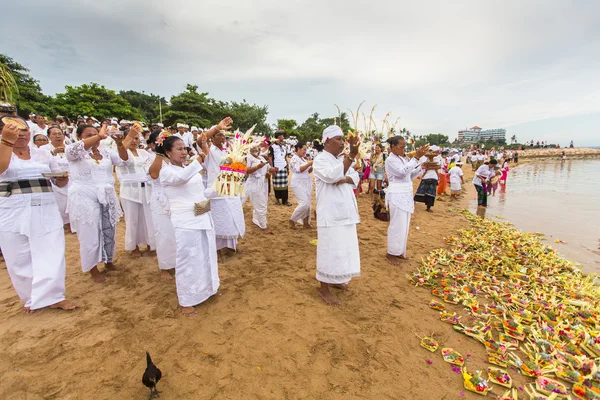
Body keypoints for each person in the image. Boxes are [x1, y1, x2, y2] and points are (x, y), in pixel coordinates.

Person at [0, 118, 77, 312]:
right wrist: (6, 143)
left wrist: (62, 178)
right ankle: (30, 298)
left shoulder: (42, 154)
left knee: (51, 250)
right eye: (15, 130)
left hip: (45, 206)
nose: (22, 134)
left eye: (25, 130)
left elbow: (58, 181)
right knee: (18, 255)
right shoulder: (3, 150)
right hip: (12, 209)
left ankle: (54, 296)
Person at [66, 122, 136, 282]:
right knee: (89, 233)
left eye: (95, 134)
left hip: (106, 193)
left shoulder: (105, 151)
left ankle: (108, 260)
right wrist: (99, 135)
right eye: (88, 135)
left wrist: (120, 143)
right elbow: (73, 150)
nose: (94, 138)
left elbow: (124, 161)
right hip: (83, 195)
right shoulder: (74, 152)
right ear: (79, 138)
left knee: (109, 229)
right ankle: (92, 268)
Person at [158, 135, 218, 315]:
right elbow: (182, 179)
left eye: (185, 148)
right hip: (185, 220)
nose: (184, 152)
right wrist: (201, 156)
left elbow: (200, 191)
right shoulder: (167, 172)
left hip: (201, 214)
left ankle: (206, 289)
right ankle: (186, 300)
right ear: (168, 153)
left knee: (204, 254)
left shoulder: (188, 167)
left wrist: (222, 187)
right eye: (179, 149)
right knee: (187, 259)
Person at [313, 126, 361, 306]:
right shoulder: (320, 160)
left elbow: (355, 178)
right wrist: (348, 162)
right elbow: (333, 177)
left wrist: (346, 176)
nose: (342, 143)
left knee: (344, 248)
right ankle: (324, 288)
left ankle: (337, 279)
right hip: (330, 213)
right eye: (338, 139)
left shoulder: (339, 159)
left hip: (346, 211)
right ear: (327, 141)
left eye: (343, 139)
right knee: (328, 250)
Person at [201, 117, 246, 254]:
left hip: (231, 190)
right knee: (219, 220)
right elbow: (200, 140)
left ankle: (231, 246)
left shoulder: (228, 151)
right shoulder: (209, 150)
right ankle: (218, 250)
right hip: (216, 192)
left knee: (232, 218)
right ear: (213, 138)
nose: (222, 137)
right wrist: (217, 127)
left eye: (223, 135)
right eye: (219, 135)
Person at [384, 136, 427, 266]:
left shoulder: (403, 159)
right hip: (397, 194)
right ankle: (391, 253)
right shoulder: (390, 160)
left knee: (405, 225)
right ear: (392, 147)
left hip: (406, 194)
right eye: (401, 147)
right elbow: (402, 173)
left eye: (404, 147)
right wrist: (416, 158)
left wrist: (421, 167)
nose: (404, 149)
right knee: (397, 225)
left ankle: (400, 251)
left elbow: (409, 175)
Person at [117, 129, 155, 258]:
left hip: (146, 189)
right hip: (130, 191)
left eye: (136, 138)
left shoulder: (144, 153)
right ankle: (134, 247)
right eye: (132, 138)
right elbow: (123, 158)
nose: (134, 141)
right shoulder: (121, 153)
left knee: (148, 218)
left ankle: (151, 243)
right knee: (132, 219)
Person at [145, 131, 176, 281]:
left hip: (175, 198)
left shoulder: (173, 156)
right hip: (160, 198)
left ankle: (176, 262)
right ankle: (164, 267)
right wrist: (159, 153)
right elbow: (154, 175)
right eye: (161, 139)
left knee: (176, 232)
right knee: (163, 233)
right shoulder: (150, 157)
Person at [42, 126, 71, 230]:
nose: (58, 136)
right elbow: (42, 162)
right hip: (54, 179)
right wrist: (53, 152)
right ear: (49, 136)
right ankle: (60, 223)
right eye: (54, 134)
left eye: (60, 134)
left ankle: (71, 223)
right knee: (59, 202)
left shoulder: (70, 147)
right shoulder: (44, 149)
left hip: (71, 178)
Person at [245, 142, 277, 233]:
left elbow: (268, 168)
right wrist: (258, 166)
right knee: (260, 204)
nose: (257, 151)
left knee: (262, 203)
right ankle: (263, 226)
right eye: (255, 149)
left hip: (262, 183)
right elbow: (247, 171)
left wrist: (273, 169)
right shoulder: (249, 157)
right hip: (253, 182)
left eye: (258, 149)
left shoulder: (262, 158)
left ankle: (259, 221)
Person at [289, 141, 313, 229]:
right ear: (298, 149)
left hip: (306, 182)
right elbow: (299, 169)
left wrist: (312, 165)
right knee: (304, 203)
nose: (305, 151)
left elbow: (309, 171)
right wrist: (309, 163)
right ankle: (292, 219)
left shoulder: (303, 159)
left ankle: (306, 222)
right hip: (297, 182)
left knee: (308, 203)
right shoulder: (294, 159)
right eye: (304, 149)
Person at [270, 130, 291, 206]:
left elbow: (285, 157)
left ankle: (285, 200)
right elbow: (270, 158)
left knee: (285, 185)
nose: (283, 137)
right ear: (278, 136)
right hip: (276, 167)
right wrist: (272, 169)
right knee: (276, 185)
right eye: (282, 135)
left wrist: (287, 168)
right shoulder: (272, 147)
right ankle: (277, 200)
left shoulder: (284, 147)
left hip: (283, 167)